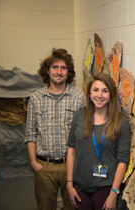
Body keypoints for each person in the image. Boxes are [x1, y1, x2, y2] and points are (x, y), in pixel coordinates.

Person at [25, 48, 86, 210]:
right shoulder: (36, 98)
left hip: (72, 165)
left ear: (69, 72)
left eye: (63, 68)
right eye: (55, 67)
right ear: (47, 71)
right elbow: (31, 133)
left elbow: (85, 133)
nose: (59, 72)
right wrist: (33, 163)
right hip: (44, 166)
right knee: (45, 207)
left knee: (74, 206)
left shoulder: (79, 97)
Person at [66, 73, 130, 210]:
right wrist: (69, 184)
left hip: (106, 189)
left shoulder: (121, 121)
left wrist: (114, 193)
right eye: (96, 90)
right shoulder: (80, 115)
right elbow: (71, 150)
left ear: (111, 94)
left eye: (105, 91)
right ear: (89, 93)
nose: (99, 95)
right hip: (79, 186)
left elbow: (122, 160)